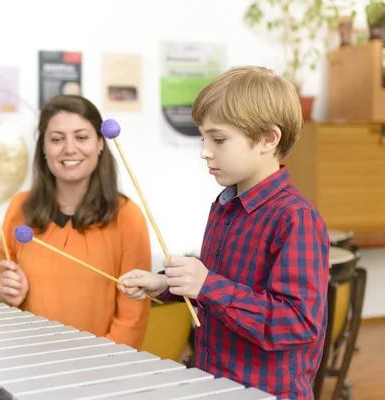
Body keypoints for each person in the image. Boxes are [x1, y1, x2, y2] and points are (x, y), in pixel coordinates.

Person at [117, 66, 330, 400]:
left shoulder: (295, 218)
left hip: (267, 392)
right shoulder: (225, 205)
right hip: (216, 385)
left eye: (218, 139)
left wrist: (207, 285)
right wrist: (166, 284)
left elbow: (297, 323)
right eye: (203, 138)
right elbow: (218, 284)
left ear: (267, 139)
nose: (204, 151)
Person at [0, 94, 152, 350]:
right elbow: (1, 278)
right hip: (27, 355)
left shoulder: (127, 216)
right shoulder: (19, 207)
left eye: (81, 137)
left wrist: (103, 363)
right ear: (43, 148)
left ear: (100, 143)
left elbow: (133, 314)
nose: (69, 148)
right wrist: (5, 293)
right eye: (56, 139)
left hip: (100, 365)